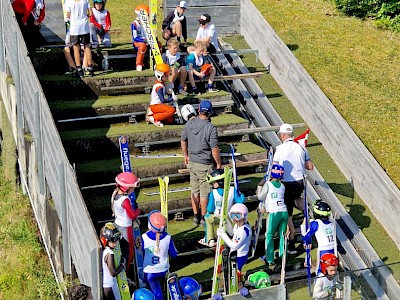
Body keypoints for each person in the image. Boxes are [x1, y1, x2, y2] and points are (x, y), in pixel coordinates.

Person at [273, 123, 314, 254]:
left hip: (286, 184)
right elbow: (310, 166)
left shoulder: (279, 149)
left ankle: (291, 244)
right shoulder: (301, 148)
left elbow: (274, 168)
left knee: (288, 215)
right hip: (300, 183)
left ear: (283, 135)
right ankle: (307, 213)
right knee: (297, 198)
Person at [181, 100, 221, 225]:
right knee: (204, 192)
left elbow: (183, 140)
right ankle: (203, 217)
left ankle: (195, 216)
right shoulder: (211, 128)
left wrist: (186, 155)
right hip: (204, 163)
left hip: (192, 162)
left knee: (194, 189)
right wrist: (218, 164)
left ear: (198, 110)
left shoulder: (190, 123)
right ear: (210, 112)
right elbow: (214, 149)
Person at [198, 168, 245, 247]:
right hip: (231, 218)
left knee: (207, 217)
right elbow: (240, 201)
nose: (212, 184)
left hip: (218, 217)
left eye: (213, 183)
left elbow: (210, 209)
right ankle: (230, 235)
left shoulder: (213, 192)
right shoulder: (233, 190)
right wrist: (241, 194)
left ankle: (210, 239)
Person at [216, 203, 251, 297]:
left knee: (235, 273)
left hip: (240, 256)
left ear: (244, 216)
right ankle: (229, 288)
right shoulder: (237, 226)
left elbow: (234, 246)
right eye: (233, 216)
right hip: (234, 254)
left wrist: (223, 235)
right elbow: (233, 234)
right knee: (230, 273)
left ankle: (240, 288)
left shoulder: (244, 230)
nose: (235, 219)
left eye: (238, 216)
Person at [141, 211, 178, 300]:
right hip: (164, 270)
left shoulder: (144, 237)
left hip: (149, 272)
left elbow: (140, 253)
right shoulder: (168, 237)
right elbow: (174, 254)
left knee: (155, 294)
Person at [257, 164, 289, 267]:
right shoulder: (283, 186)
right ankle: (282, 256)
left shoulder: (268, 184)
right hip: (284, 211)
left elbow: (260, 196)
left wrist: (259, 187)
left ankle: (270, 259)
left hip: (274, 213)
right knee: (282, 235)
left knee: (269, 235)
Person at [111, 172, 141, 273]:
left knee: (122, 251)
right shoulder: (125, 200)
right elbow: (132, 215)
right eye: (132, 187)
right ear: (126, 188)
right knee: (129, 253)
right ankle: (126, 273)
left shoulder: (115, 196)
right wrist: (138, 210)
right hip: (126, 227)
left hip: (118, 224)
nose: (133, 189)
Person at [301, 200, 335, 274]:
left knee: (321, 271)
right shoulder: (332, 223)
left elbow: (305, 236)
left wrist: (303, 225)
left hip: (323, 251)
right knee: (332, 269)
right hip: (334, 250)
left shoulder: (316, 223)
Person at [65, 0, 94, 78]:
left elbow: (68, 16)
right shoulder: (85, 0)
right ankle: (90, 68)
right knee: (87, 46)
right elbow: (91, 13)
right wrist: (85, 17)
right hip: (84, 25)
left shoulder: (68, 1)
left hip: (74, 27)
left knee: (76, 47)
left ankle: (79, 69)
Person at [100, 223, 127, 300]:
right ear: (106, 240)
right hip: (110, 285)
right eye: (113, 242)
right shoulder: (110, 253)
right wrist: (122, 265)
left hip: (107, 285)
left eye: (116, 241)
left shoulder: (104, 251)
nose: (115, 244)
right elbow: (113, 273)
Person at [146, 63, 177, 127]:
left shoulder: (161, 83)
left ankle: (153, 115)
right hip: (155, 105)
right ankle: (152, 117)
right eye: (166, 75)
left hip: (158, 105)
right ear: (160, 75)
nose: (167, 76)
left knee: (170, 120)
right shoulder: (159, 87)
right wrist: (172, 99)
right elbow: (162, 100)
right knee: (172, 110)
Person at [131, 4, 149, 71]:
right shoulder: (134, 24)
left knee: (159, 44)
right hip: (137, 42)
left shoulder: (148, 23)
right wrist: (144, 40)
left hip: (147, 40)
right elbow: (135, 37)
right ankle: (139, 64)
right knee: (142, 46)